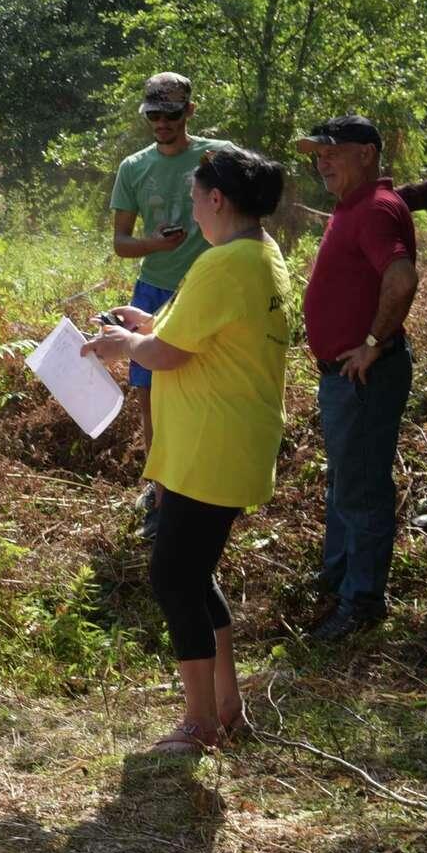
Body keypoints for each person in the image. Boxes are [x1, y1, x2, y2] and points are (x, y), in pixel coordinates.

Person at [83, 146, 291, 753]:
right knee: (193, 574)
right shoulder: (261, 254)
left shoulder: (223, 264)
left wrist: (123, 345)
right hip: (226, 440)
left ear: (216, 199)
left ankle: (200, 723)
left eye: (195, 196)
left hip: (211, 446)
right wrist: (145, 325)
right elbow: (197, 334)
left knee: (173, 577)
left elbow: (169, 355)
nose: (191, 207)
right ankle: (225, 706)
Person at [296, 115, 419, 640]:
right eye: (317, 154)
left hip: (365, 377)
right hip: (345, 379)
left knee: (362, 489)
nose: (322, 161)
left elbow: (402, 277)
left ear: (366, 153)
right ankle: (339, 580)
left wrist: (372, 342)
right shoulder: (356, 204)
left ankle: (361, 603)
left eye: (332, 151)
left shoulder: (372, 209)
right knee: (346, 482)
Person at [108, 73, 234, 537]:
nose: (162, 123)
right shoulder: (134, 167)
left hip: (205, 289)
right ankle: (159, 493)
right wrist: (155, 244)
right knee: (151, 400)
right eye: (154, 116)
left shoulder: (217, 157)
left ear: (189, 112)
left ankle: (203, 493)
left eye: (171, 115)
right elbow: (121, 243)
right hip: (153, 290)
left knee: (204, 394)